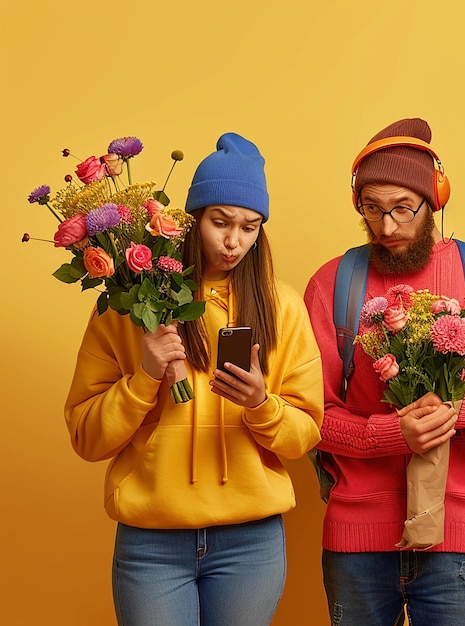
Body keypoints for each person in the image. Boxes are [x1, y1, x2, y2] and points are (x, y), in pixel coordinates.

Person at [65, 132, 324, 626]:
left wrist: (261, 404)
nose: (233, 241)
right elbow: (86, 436)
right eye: (220, 222)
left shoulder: (282, 307)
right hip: (152, 540)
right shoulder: (128, 305)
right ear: (191, 220)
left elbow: (305, 433)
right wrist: (145, 377)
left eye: (249, 228)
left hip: (251, 541)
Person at [304, 118, 465, 625]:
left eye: (401, 209)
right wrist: (393, 433)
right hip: (355, 542)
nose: (387, 227)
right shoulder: (333, 283)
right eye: (371, 210)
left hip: (456, 545)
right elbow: (308, 419)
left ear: (434, 198)